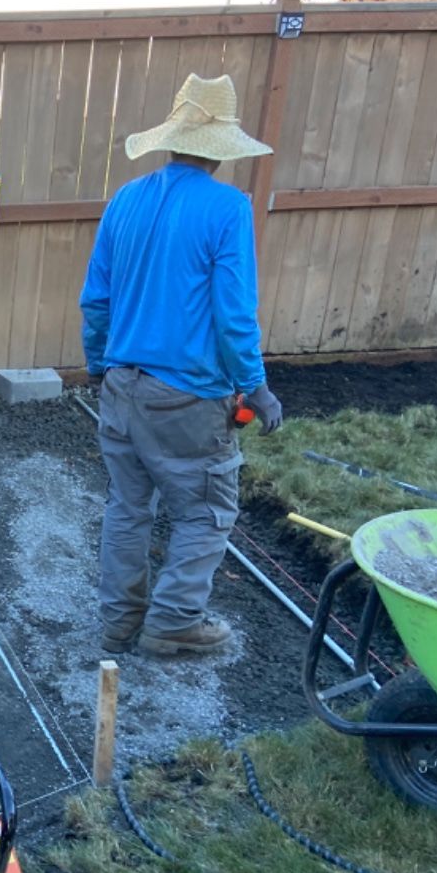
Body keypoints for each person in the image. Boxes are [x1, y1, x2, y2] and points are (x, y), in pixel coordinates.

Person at [80, 73, 283, 658]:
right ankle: (172, 622)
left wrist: (99, 365)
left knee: (127, 507)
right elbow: (234, 313)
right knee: (207, 511)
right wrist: (256, 387)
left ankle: (119, 625)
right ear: (222, 146)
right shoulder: (227, 209)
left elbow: (96, 298)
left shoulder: (128, 199)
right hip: (189, 398)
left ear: (171, 138)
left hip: (122, 386)